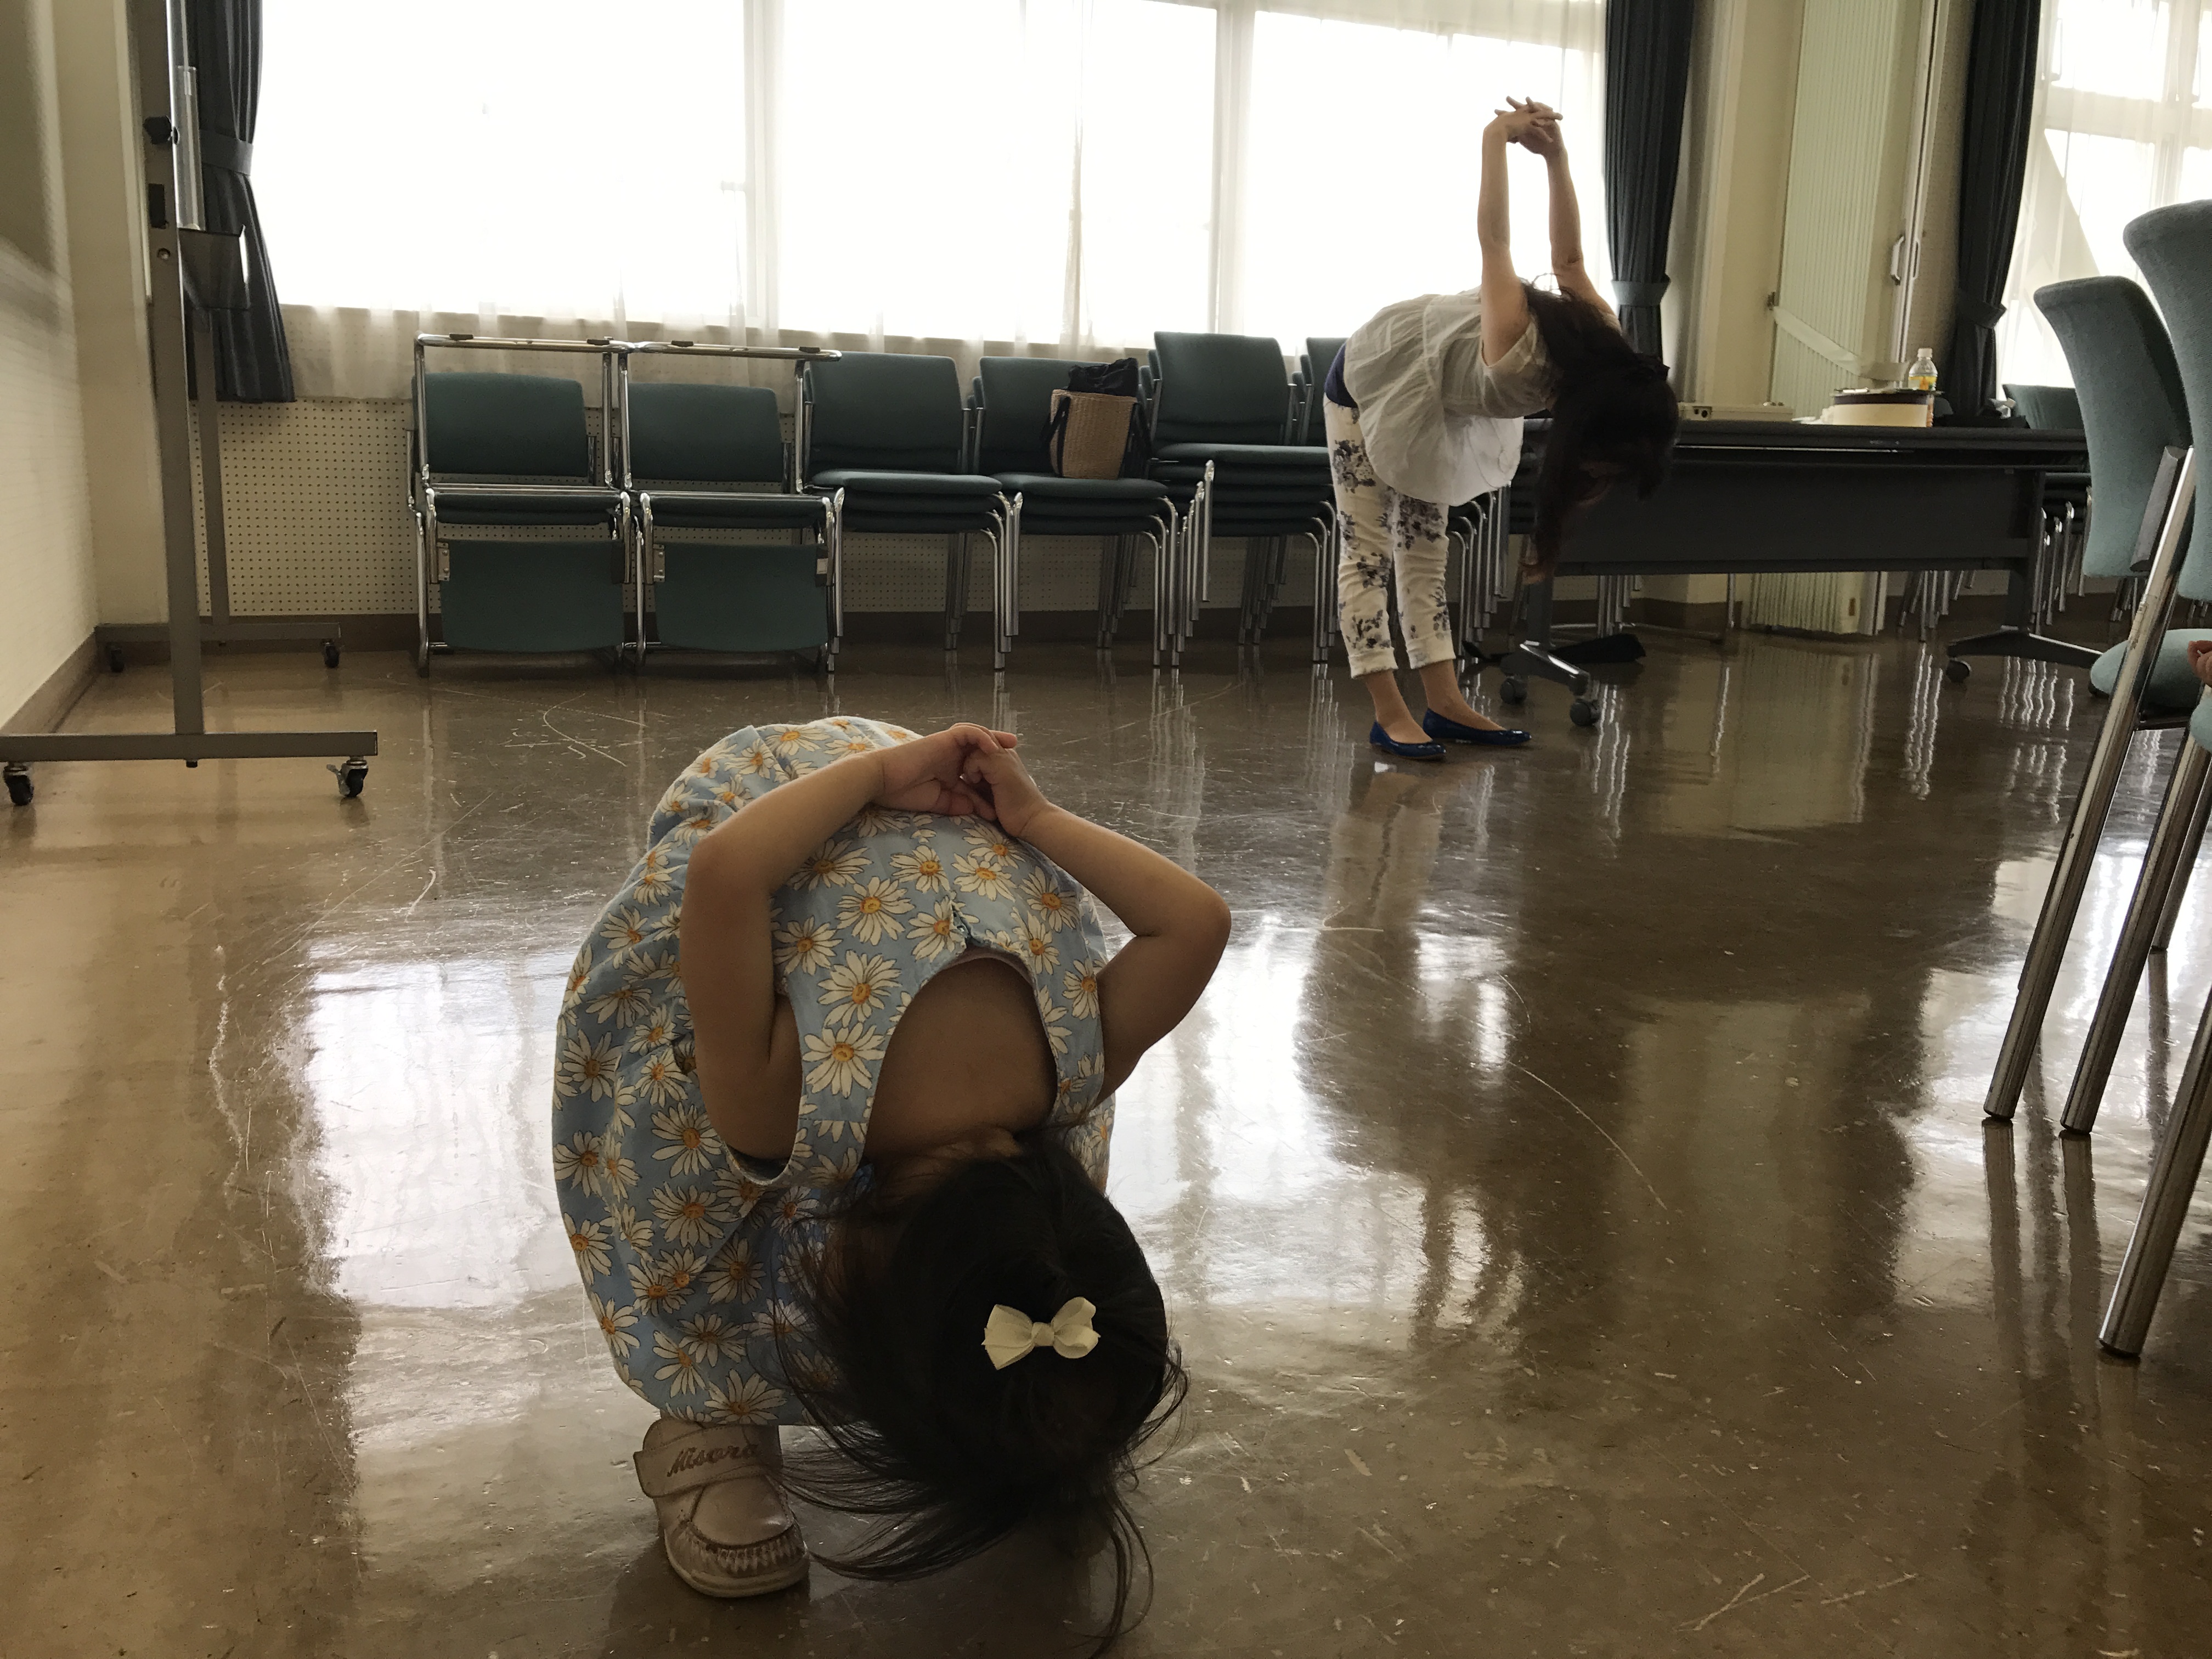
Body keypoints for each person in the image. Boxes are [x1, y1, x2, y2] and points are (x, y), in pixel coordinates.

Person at [551, 716, 1229, 1640]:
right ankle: (708, 1417)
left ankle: (1001, 1403)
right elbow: (723, 871)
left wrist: (1029, 816)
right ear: (851, 1282)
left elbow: (1196, 921)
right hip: (762, 793)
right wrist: (868, 778)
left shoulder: (1075, 1065)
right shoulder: (769, 1105)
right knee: (685, 1198)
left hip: (940, 801)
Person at [1324, 97, 1680, 761]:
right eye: (1601, 465)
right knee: (1367, 550)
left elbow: (1570, 262)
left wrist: (1558, 160)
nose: (1597, 479)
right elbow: (1496, 243)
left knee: (1426, 552)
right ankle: (1388, 711)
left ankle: (1445, 703)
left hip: (1450, 400)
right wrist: (1496, 138)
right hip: (1374, 377)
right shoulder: (1516, 348)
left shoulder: (1607, 349)